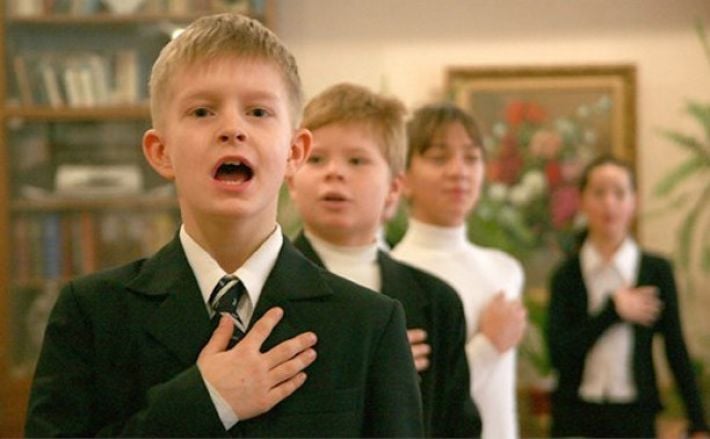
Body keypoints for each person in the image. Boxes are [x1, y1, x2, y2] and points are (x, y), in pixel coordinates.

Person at [24, 14, 423, 438]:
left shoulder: (369, 323)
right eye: (202, 111)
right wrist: (206, 401)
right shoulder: (91, 313)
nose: (232, 129)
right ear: (160, 152)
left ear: (294, 152)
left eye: (258, 111)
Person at [286, 83, 480, 437]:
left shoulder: (438, 301)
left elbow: (458, 425)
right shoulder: (263, 288)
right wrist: (373, 361)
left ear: (394, 188)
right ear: (291, 179)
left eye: (356, 160)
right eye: (316, 159)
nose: (334, 172)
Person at [546, 155, 709, 438]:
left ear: (634, 201)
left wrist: (698, 423)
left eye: (619, 193)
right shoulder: (566, 276)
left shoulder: (656, 271)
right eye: (599, 193)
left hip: (636, 415)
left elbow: (675, 348)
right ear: (582, 201)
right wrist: (612, 312)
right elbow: (559, 355)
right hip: (576, 415)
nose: (609, 203)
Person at [391, 103, 527, 439]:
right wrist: (489, 346)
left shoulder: (505, 269)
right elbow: (415, 400)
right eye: (439, 158)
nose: (459, 171)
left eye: (471, 157)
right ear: (403, 178)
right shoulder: (396, 274)